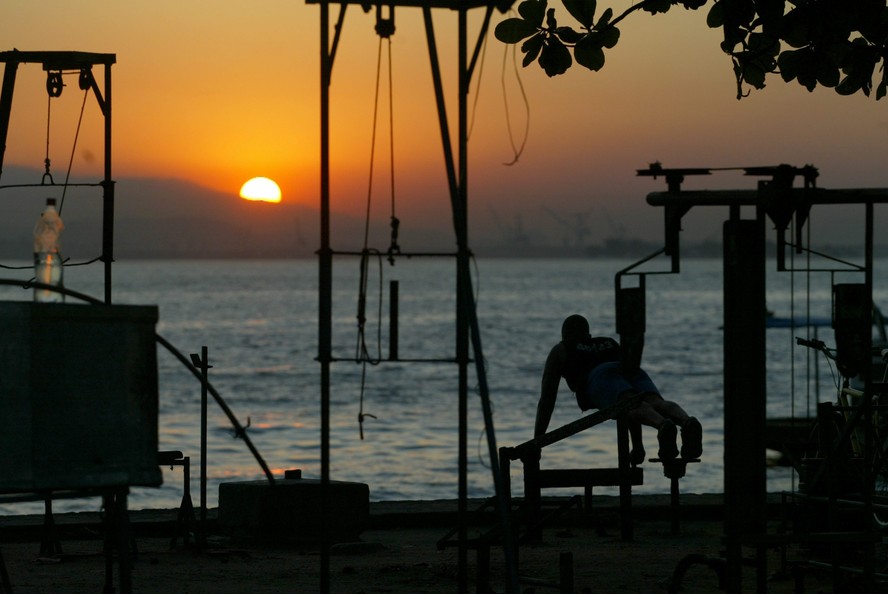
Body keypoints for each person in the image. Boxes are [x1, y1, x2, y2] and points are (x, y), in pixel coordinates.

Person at [535, 314, 702, 462]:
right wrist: (637, 446)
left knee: (629, 403)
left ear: (564, 336)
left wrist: (537, 442)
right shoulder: (609, 343)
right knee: (655, 402)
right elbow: (631, 409)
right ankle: (687, 422)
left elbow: (547, 401)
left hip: (600, 376)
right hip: (629, 368)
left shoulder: (561, 349)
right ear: (589, 335)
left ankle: (662, 425)